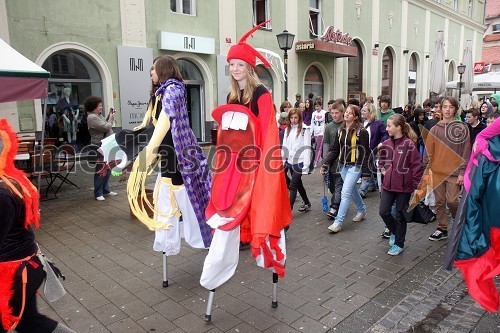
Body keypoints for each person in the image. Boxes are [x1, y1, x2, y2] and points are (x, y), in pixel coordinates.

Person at [200, 22, 292, 293]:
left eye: (240, 65)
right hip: (233, 171)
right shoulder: (233, 95)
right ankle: (213, 274)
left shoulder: (262, 94)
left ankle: (274, 259)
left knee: (266, 213)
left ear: (249, 68)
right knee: (225, 218)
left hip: (256, 169)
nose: (235, 69)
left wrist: (264, 170)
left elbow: (268, 134)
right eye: (232, 65)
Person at [126, 55, 213, 258]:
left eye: (154, 69)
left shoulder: (172, 90)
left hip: (176, 154)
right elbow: (153, 124)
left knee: (181, 197)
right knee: (170, 197)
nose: (151, 73)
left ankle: (199, 237)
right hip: (169, 152)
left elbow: (165, 122)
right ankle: (172, 240)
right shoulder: (162, 92)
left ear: (163, 69)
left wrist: (146, 156)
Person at [0, 119, 75, 333]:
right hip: (23, 265)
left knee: (27, 322)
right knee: (28, 321)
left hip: (14, 272)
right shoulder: (10, 180)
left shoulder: (3, 191)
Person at [423, 96, 471, 241]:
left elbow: (466, 152)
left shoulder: (462, 128)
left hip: (455, 173)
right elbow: (428, 151)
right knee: (439, 202)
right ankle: (442, 228)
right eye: (445, 106)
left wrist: (463, 172)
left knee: (452, 201)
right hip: (437, 172)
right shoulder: (435, 129)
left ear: (455, 109)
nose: (447, 110)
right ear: (440, 109)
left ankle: (459, 223)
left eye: (450, 107)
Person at [378, 114, 423, 255]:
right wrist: (382, 167)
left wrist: (416, 187)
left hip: (404, 187)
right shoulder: (386, 143)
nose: (386, 128)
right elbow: (381, 156)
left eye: (389, 126)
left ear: (398, 127)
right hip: (388, 185)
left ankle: (399, 243)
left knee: (400, 215)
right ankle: (394, 231)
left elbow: (416, 166)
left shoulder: (409, 144)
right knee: (383, 211)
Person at [321, 105, 370, 233]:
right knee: (352, 190)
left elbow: (365, 152)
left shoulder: (362, 131)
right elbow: (334, 150)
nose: (347, 114)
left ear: (356, 117)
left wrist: (366, 171)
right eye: (346, 112)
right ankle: (362, 210)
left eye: (350, 113)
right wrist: (326, 163)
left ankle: (338, 222)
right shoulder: (341, 130)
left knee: (345, 192)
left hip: (355, 166)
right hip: (342, 165)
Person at [86, 96, 117, 201]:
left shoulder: (97, 115)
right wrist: (111, 119)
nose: (101, 107)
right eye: (99, 106)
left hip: (106, 145)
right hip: (99, 146)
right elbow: (106, 127)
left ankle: (105, 190)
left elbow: (105, 124)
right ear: (94, 107)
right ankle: (98, 192)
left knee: (107, 168)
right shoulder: (92, 117)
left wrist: (109, 116)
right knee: (100, 169)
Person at [282, 108, 312, 212]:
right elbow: (284, 146)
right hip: (290, 161)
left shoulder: (305, 129)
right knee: (298, 184)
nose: (293, 120)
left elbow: (307, 147)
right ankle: (307, 202)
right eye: (291, 117)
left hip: (301, 161)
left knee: (293, 186)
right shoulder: (287, 129)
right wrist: (283, 160)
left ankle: (288, 211)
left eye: (296, 117)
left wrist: (306, 165)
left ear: (299, 118)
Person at [359, 103, 388, 198]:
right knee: (368, 167)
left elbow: (385, 135)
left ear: (370, 112)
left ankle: (362, 190)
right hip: (363, 150)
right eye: (362, 110)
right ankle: (371, 185)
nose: (362, 112)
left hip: (374, 149)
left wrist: (381, 143)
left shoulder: (378, 123)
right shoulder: (360, 123)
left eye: (364, 111)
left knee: (368, 167)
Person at [323, 102, 345, 218]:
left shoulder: (346, 125)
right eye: (332, 113)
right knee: (331, 185)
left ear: (342, 113)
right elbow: (326, 143)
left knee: (338, 184)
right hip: (330, 160)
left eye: (337, 113)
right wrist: (325, 159)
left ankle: (334, 207)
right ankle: (338, 200)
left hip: (342, 160)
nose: (334, 115)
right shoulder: (329, 127)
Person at [311, 100, 327, 167]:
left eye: (318, 106)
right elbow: (312, 123)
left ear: (321, 106)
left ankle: (316, 161)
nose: (316, 107)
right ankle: (322, 159)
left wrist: (324, 130)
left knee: (319, 147)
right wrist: (311, 132)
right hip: (315, 132)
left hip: (321, 132)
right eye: (315, 106)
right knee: (317, 147)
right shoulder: (314, 113)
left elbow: (325, 123)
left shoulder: (324, 113)